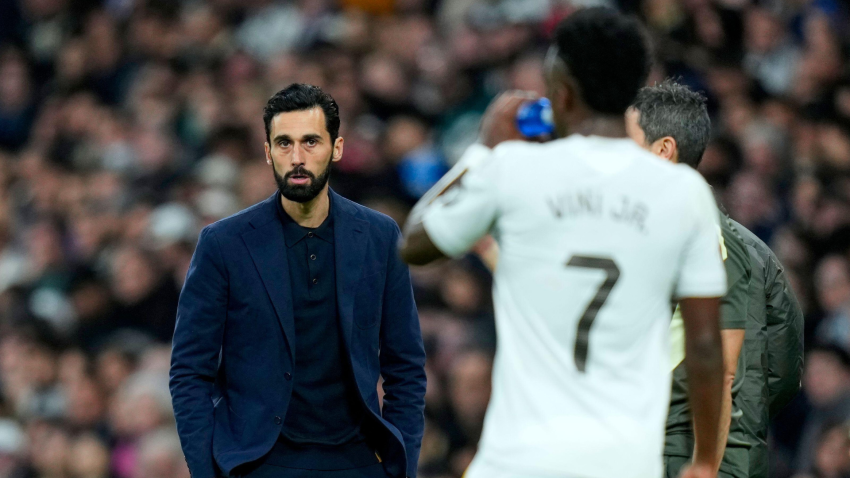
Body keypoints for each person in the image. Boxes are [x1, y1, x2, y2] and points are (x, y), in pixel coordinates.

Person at [399, 8, 726, 478]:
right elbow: (704, 344)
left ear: (563, 93)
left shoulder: (514, 170)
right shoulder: (684, 193)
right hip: (624, 462)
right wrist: (705, 463)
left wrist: (483, 151)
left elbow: (415, 242)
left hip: (518, 458)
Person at [170, 84, 427, 478]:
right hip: (260, 463)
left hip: (359, 462)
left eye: (310, 142)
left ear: (336, 148)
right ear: (267, 151)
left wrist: (401, 467)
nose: (297, 157)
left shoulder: (379, 236)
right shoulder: (223, 244)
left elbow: (405, 364)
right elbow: (190, 369)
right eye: (284, 143)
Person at [626, 80, 804, 478]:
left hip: (689, 456)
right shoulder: (742, 246)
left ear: (663, 151)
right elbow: (783, 370)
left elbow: (726, 371)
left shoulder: (706, 239)